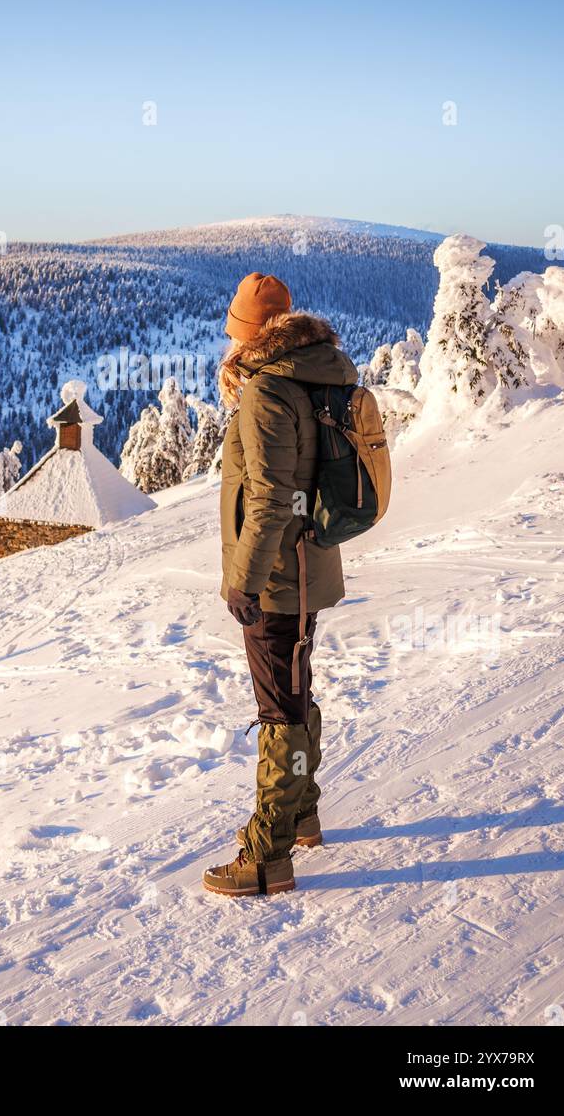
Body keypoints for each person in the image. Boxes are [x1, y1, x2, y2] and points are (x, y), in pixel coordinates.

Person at [203, 272, 358, 898]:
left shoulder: (268, 392)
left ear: (248, 333)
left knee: (279, 706)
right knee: (294, 688)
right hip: (304, 566)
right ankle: (302, 813)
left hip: (275, 576)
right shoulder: (311, 375)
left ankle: (267, 854)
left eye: (233, 331)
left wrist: (242, 581)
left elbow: (268, 497)